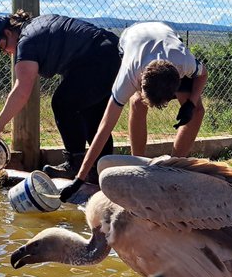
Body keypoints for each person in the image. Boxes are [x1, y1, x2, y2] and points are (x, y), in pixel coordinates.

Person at [59, 21, 207, 200]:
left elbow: (203, 74)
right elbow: (104, 129)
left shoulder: (184, 62)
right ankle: (139, 167)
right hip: (132, 38)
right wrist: (79, 180)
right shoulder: (128, 76)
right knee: (137, 103)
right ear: (140, 82)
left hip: (166, 37)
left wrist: (190, 104)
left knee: (197, 111)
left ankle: (173, 168)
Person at [0, 10, 121, 179]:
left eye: (2, 46)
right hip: (112, 51)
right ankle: (104, 169)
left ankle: (75, 164)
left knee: (63, 104)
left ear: (8, 33)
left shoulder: (26, 41)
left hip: (98, 58)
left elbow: (22, 90)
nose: (7, 52)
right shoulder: (36, 26)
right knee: (91, 115)